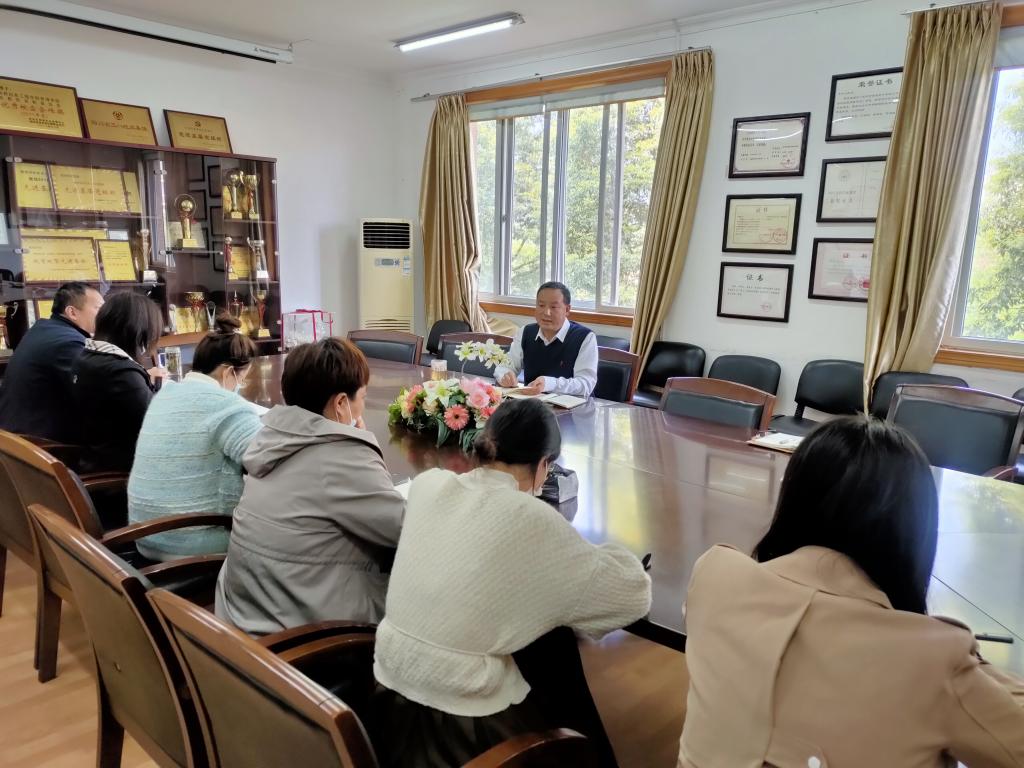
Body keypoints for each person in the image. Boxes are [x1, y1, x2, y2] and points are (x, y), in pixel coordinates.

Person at [678, 417, 1024, 767]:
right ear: (913, 531)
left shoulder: (713, 575)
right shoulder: (933, 661)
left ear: (793, 499)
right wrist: (965, 663)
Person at [372, 398, 651, 768]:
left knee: (547, 637)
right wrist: (611, 554)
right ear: (544, 465)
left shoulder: (429, 485)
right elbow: (633, 595)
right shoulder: (531, 517)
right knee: (555, 644)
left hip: (385, 700)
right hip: (463, 730)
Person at [215, 337, 404, 636]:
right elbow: (406, 529)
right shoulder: (342, 457)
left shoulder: (270, 437)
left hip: (240, 617)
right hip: (300, 641)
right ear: (341, 404)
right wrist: (358, 444)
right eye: (362, 397)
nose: (363, 408)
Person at [128, 313, 261, 561]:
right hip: (193, 542)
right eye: (242, 378)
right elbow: (268, 459)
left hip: (145, 534)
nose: (240, 385)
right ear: (228, 372)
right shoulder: (225, 406)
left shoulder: (164, 396)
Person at [71, 291, 165, 474]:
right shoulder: (121, 372)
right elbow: (157, 424)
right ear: (137, 331)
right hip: (122, 473)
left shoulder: (85, 357)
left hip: (94, 459)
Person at [0, 282, 104, 442]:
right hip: (41, 446)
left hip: (15, 439)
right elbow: (100, 390)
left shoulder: (43, 329)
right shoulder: (68, 342)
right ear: (72, 312)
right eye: (99, 308)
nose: (105, 314)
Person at [493, 281, 598, 398]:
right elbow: (506, 366)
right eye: (541, 305)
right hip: (532, 405)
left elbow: (586, 384)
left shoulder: (585, 337)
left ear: (567, 309)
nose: (546, 313)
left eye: (554, 307)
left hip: (574, 406)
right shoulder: (526, 332)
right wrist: (504, 376)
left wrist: (549, 384)